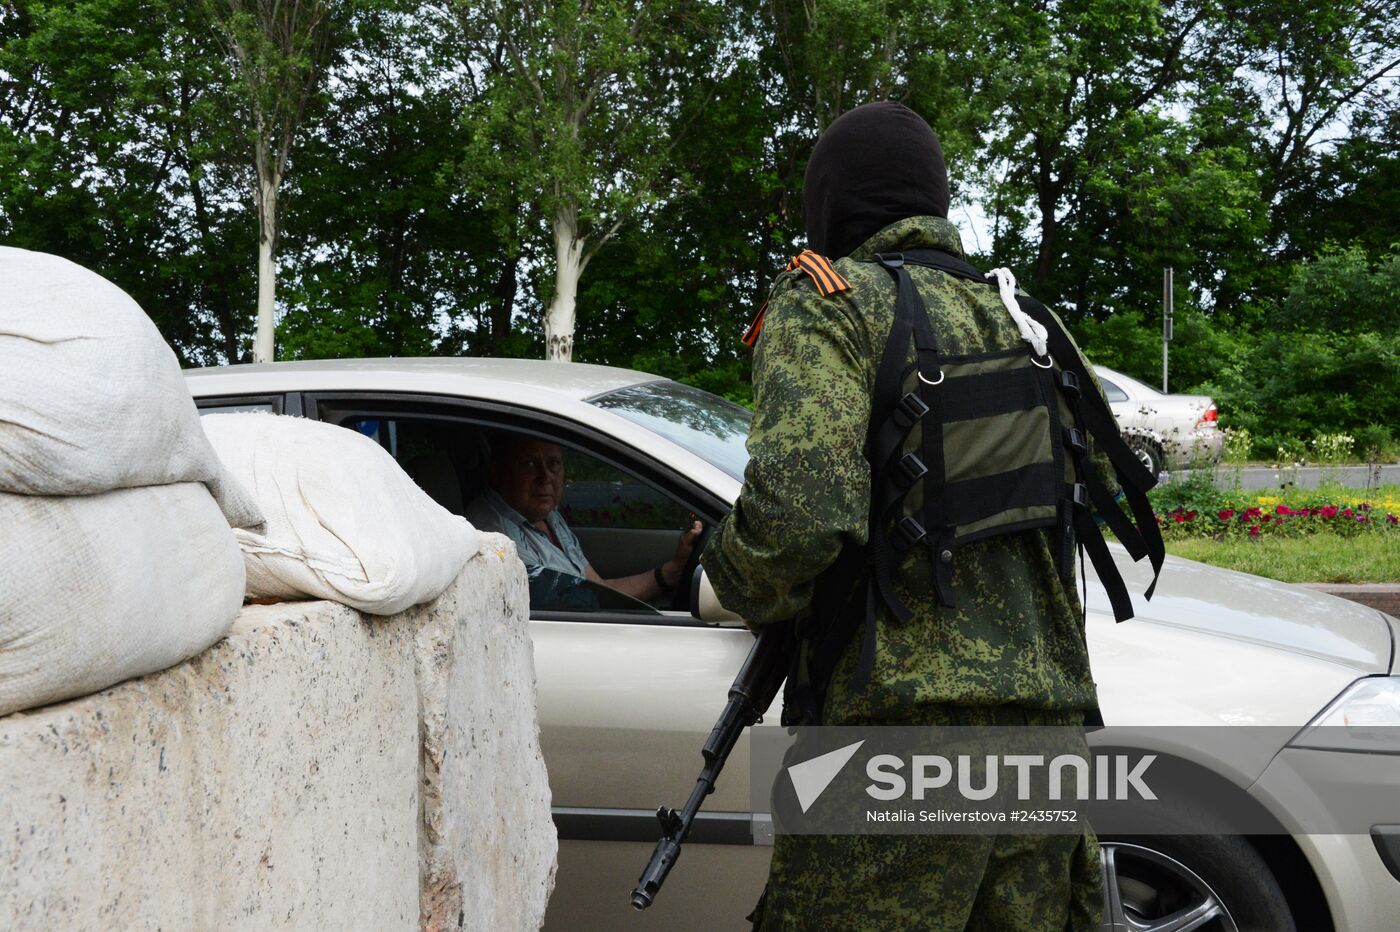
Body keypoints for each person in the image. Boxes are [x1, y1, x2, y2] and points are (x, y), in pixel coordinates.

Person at [702, 102, 1111, 929]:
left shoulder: (832, 302)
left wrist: (726, 572)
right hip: (1046, 737)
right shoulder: (1028, 319)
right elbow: (1091, 477)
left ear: (833, 202)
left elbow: (801, 513)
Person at [467, 433, 702, 603]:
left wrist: (671, 571)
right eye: (529, 464)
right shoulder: (494, 538)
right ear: (497, 473)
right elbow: (581, 605)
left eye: (553, 464)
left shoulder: (546, 515)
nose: (545, 477)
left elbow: (597, 587)